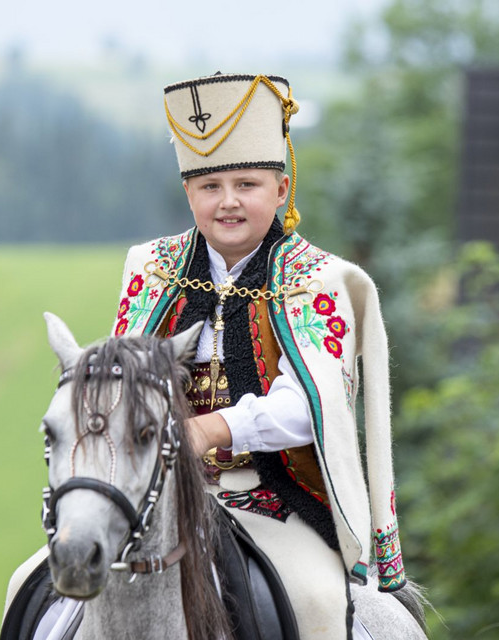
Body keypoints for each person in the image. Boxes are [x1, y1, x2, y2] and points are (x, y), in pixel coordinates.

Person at [112, 72, 405, 639]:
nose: (227, 201)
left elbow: (309, 407)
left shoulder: (319, 280)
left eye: (246, 183)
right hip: (158, 499)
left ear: (282, 189)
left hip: (273, 497)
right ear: (189, 194)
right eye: (209, 186)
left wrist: (205, 430)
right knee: (36, 585)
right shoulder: (149, 267)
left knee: (319, 599)